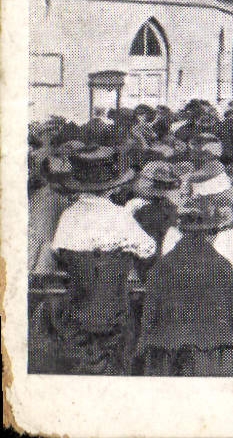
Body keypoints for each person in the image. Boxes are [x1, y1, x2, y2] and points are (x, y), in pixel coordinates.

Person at [48, 147, 156, 374]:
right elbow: (148, 249)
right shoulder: (120, 216)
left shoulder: (69, 215)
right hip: (115, 313)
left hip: (77, 312)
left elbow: (58, 253)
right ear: (112, 186)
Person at [136, 199, 233, 375]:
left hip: (168, 351)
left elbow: (149, 315)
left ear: (181, 230)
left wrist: (145, 347)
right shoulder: (223, 267)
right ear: (209, 231)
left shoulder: (162, 267)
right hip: (213, 353)